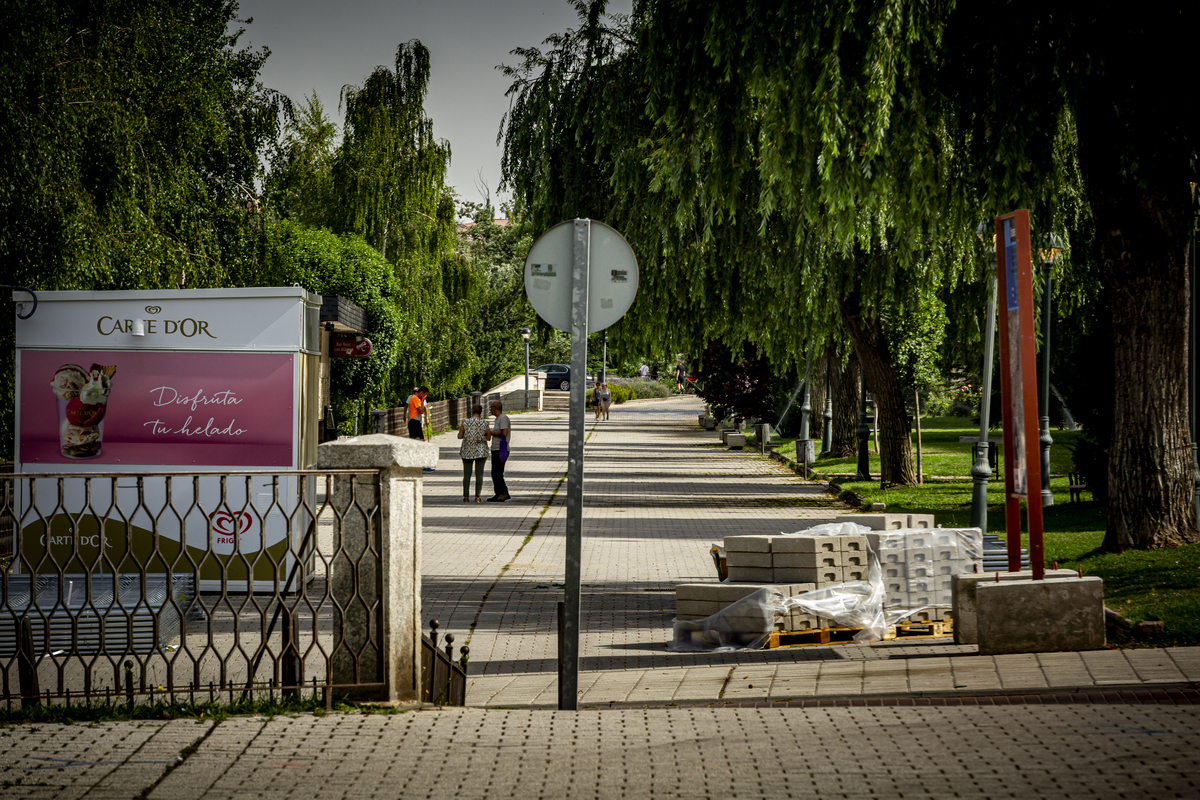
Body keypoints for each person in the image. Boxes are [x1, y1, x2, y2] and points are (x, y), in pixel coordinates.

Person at [457, 404, 490, 503]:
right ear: (481, 412)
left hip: (467, 450)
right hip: (481, 450)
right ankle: (477, 497)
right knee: (479, 474)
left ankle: (466, 497)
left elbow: (459, 436)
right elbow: (488, 438)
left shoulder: (465, 422)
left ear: (472, 411)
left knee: (467, 474)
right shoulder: (485, 423)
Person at [486, 399, 511, 502]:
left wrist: (490, 432)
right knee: (494, 472)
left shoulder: (503, 418)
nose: (490, 410)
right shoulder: (497, 419)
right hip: (496, 448)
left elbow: (504, 433)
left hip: (502, 449)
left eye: (491, 408)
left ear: (495, 408)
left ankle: (504, 492)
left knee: (498, 472)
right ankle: (498, 493)